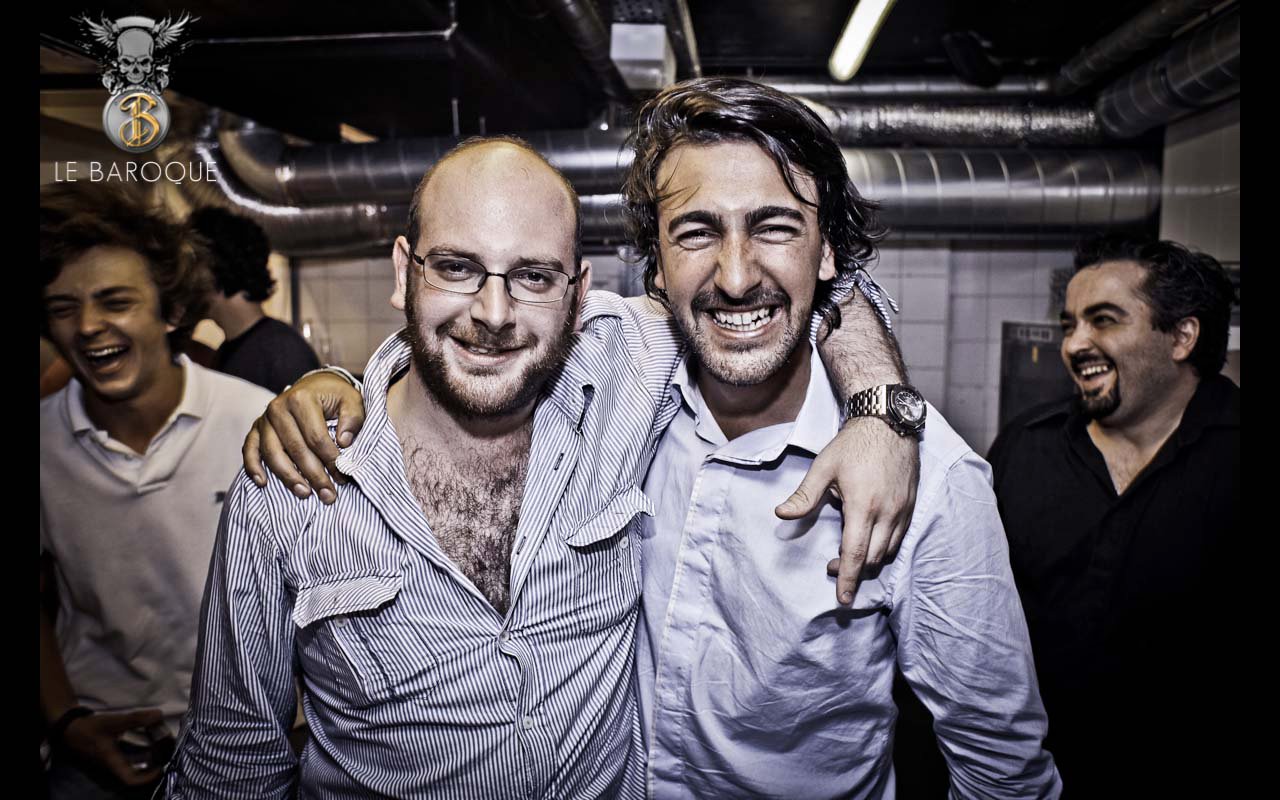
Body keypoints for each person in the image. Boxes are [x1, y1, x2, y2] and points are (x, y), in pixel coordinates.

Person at [240, 79, 1059, 798]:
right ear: (657, 269)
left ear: (828, 252)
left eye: (776, 227)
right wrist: (339, 385)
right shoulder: (619, 381)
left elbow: (1003, 769)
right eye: (697, 232)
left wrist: (880, 408)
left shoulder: (932, 482)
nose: (735, 275)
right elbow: (472, 332)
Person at [39, 183, 275, 799]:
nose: (88, 326)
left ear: (170, 311)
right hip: (99, 751)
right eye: (62, 308)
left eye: (115, 301)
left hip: (253, 752)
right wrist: (66, 723)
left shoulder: (258, 421)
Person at [987, 234, 1239, 797]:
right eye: (1069, 324)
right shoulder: (1026, 449)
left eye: (1103, 320)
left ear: (1182, 336)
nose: (1075, 344)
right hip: (1036, 779)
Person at [188, 206, 319, 393]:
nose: (184, 282)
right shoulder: (230, 349)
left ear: (212, 267)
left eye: (191, 267)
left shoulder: (283, 352)